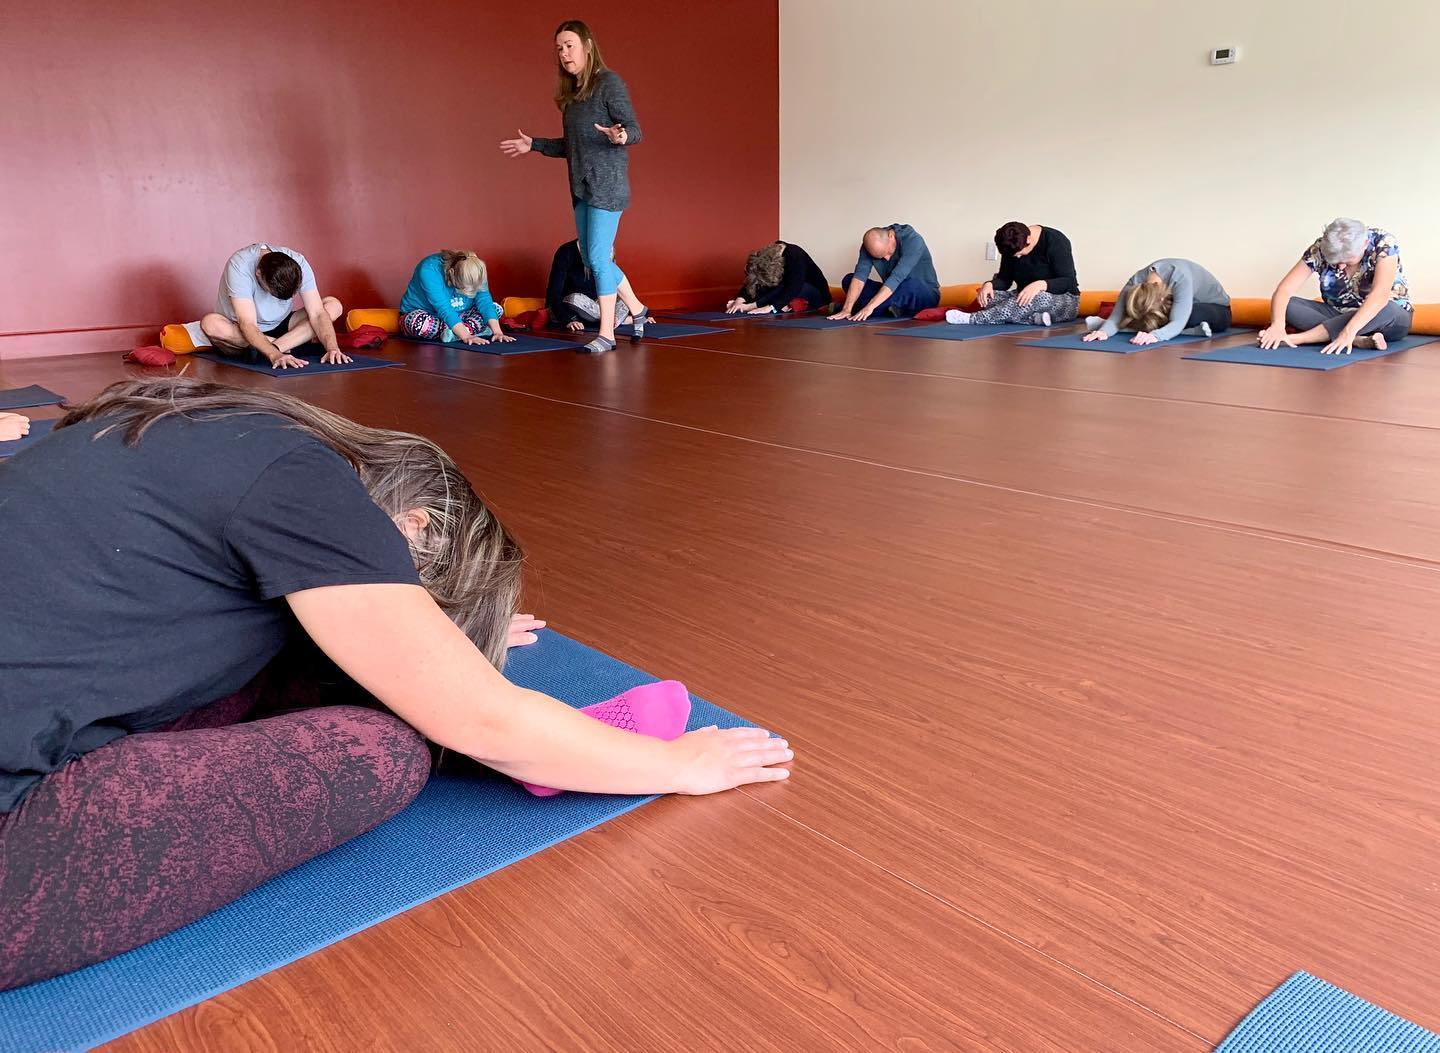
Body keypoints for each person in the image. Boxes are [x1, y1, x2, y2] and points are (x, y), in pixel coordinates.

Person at [0, 377, 792, 991]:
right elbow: (488, 721)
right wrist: (678, 767)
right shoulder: (308, 486)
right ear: (417, 528)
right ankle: (567, 752)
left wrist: (427, 636)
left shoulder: (191, 423)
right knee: (381, 748)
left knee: (299, 655)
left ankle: (527, 727)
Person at [500, 21, 651, 354]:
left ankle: (608, 334)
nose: (564, 53)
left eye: (569, 45)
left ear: (586, 45)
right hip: (581, 188)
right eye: (559, 48)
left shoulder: (608, 83)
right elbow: (573, 146)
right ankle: (638, 309)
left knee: (597, 258)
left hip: (607, 187)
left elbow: (635, 129)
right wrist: (535, 145)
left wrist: (621, 135)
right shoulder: (571, 97)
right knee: (594, 256)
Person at [1258, 218, 1412, 355]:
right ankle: (1357, 340)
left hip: (1384, 318)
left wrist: (1348, 331)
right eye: (1335, 261)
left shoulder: (1384, 243)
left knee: (1387, 308)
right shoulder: (1320, 247)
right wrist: (1277, 325)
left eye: (1348, 260)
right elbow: (1284, 290)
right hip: (1336, 314)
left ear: (1364, 244)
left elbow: (1379, 296)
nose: (1340, 266)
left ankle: (1300, 339)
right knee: (1289, 305)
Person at [199, 243, 351, 370]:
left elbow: (317, 313)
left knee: (333, 305)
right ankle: (292, 345)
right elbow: (248, 324)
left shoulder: (299, 262)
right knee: (210, 324)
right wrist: (275, 356)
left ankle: (273, 347)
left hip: (282, 325)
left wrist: (332, 348)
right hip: (243, 330)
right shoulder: (239, 265)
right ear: (258, 274)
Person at [948, 222, 1079, 327]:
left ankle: (974, 319)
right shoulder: (1010, 246)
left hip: (1063, 300)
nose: (1017, 257)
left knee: (1039, 297)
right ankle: (1034, 319)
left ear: (1029, 239)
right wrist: (990, 285)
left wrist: (1040, 285)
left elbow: (1068, 282)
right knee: (989, 298)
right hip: (1022, 296)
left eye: (1020, 253)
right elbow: (1005, 279)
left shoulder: (1055, 240)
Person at [1082, 259, 1231, 345]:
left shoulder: (1179, 277)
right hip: (1172, 312)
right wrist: (1104, 331)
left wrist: (1155, 336)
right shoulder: (1135, 282)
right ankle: (1129, 326)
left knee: (1190, 315)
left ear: (1160, 299)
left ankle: (1135, 326)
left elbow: (1179, 320)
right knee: (1135, 308)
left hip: (1216, 309)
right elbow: (1117, 315)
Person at [399, 250, 515, 346]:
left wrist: (498, 332)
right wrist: (466, 336)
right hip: (428, 316)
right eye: (462, 288)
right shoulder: (429, 269)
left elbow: (484, 300)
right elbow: (443, 308)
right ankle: (469, 330)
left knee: (496, 309)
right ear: (452, 273)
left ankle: (453, 333)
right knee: (415, 322)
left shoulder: (476, 270)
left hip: (461, 316)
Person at [829, 224, 940, 321]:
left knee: (911, 285)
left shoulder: (913, 240)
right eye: (880, 257)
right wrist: (846, 309)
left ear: (891, 236)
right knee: (848, 279)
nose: (886, 259)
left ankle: (864, 309)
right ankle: (886, 309)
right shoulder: (869, 246)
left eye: (887, 252)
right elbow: (859, 277)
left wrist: (869, 307)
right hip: (892, 293)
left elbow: (896, 278)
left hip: (923, 293)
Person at [545, 239, 630, 332]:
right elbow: (554, 292)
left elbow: (613, 288)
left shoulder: (607, 251)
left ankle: (610, 319)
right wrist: (567, 320)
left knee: (625, 299)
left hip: (596, 307)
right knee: (574, 299)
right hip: (572, 308)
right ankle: (614, 319)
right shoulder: (566, 251)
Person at [726, 241, 831, 315]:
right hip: (787, 291)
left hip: (814, 294)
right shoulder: (766, 256)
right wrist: (740, 300)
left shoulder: (795, 254)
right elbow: (753, 279)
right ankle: (757, 304)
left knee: (787, 286)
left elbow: (793, 287)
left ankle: (762, 305)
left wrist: (767, 307)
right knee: (768, 288)